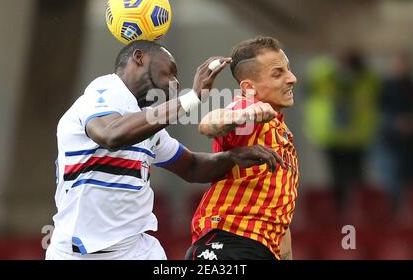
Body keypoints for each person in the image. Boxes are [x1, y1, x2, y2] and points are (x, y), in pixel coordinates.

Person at [46, 40, 282, 260]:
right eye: (170, 71)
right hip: (75, 252)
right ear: (139, 57)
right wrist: (192, 98)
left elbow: (192, 167)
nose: (176, 83)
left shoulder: (145, 126)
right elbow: (111, 135)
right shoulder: (100, 95)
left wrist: (232, 157)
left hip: (135, 250)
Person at [185, 36, 298, 260]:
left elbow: (279, 218)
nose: (292, 78)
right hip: (228, 242)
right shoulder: (248, 107)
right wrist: (242, 116)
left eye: (288, 70)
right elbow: (208, 124)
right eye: (278, 73)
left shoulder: (280, 129)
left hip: (261, 248)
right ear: (249, 87)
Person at [303, 49, 380, 213]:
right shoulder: (322, 71)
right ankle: (339, 214)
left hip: (357, 137)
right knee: (336, 180)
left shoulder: (366, 75)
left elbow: (375, 96)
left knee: (358, 180)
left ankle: (358, 215)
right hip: (331, 136)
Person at [376, 52, 413, 214]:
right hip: (392, 145)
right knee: (394, 185)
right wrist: (396, 123)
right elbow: (376, 113)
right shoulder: (385, 88)